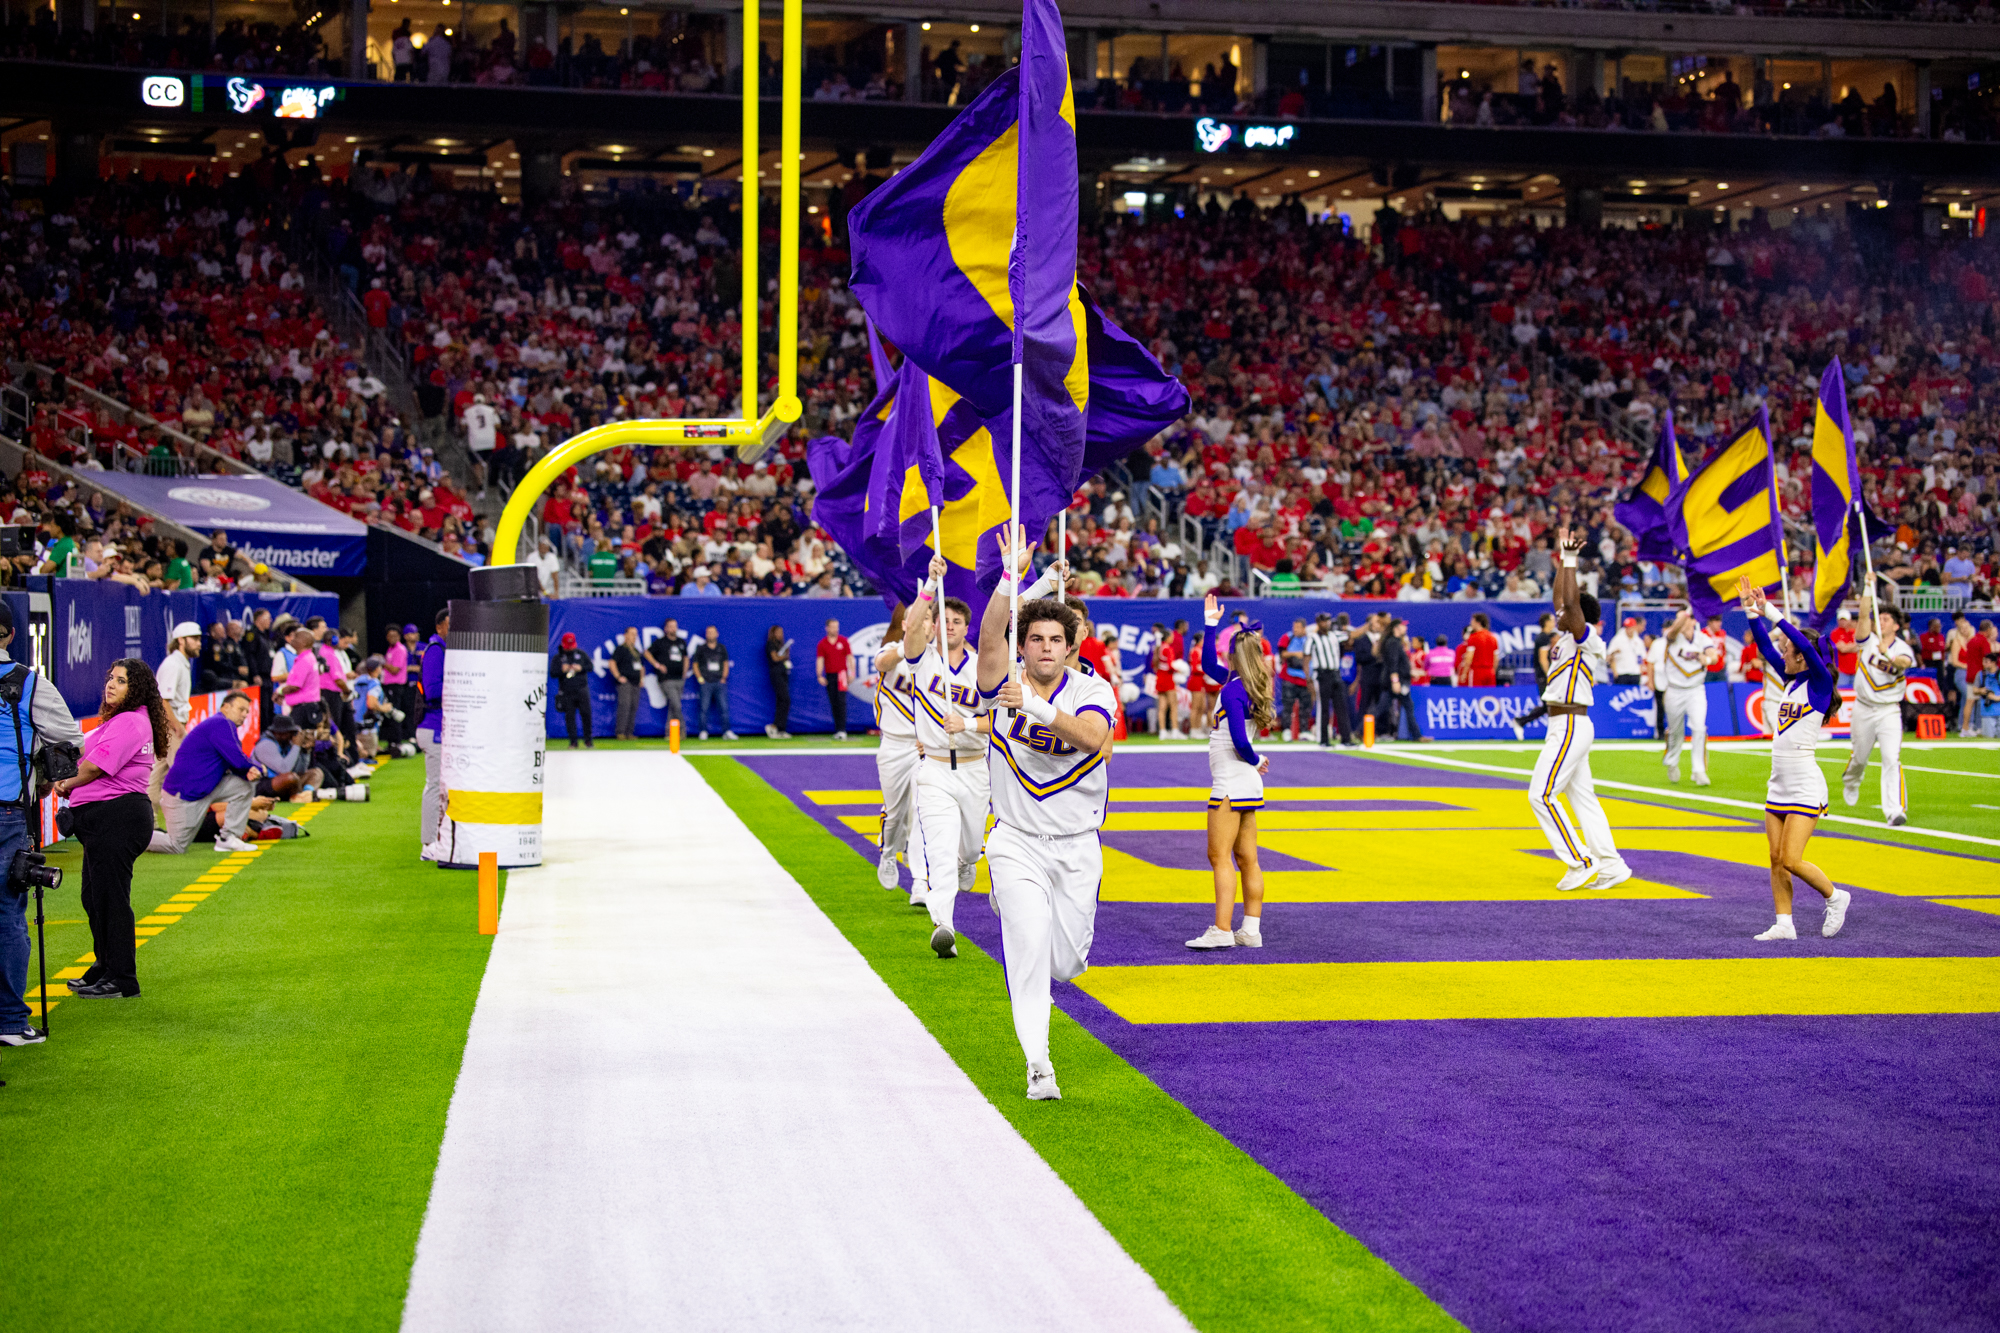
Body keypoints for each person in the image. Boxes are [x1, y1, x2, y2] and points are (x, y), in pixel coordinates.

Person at [974, 535, 1113, 1102]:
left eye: (1057, 639)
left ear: (1071, 644)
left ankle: (1028, 921)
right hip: (1016, 841)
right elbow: (987, 638)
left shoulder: (1092, 688)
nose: (1047, 648)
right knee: (1027, 952)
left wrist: (1031, 705)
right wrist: (1012, 578)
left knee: (1065, 962)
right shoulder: (999, 678)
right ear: (1023, 646)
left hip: (1078, 844)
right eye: (1036, 639)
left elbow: (1093, 738)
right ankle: (1039, 1065)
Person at [1739, 576, 1850, 941]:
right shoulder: (1791, 683)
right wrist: (1752, 614)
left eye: (1787, 650)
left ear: (1802, 657)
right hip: (1779, 781)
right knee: (1774, 858)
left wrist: (1771, 610)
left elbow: (1802, 641)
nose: (1782, 653)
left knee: (1791, 859)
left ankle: (1835, 897)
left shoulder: (1819, 684)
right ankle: (1784, 923)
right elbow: (1765, 649)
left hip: (1803, 781)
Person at [54, 659, 167, 1000]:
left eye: (121, 681)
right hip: (109, 819)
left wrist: (64, 785)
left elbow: (93, 768)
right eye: (111, 678)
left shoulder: (131, 722)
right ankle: (104, 967)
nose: (111, 685)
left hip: (117, 818)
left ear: (138, 689)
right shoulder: (126, 720)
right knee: (96, 897)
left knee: (111, 900)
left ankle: (122, 979)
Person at [1528, 527, 1632, 892]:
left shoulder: (1586, 637)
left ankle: (1581, 860)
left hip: (1571, 723)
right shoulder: (1567, 635)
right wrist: (1563, 559)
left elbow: (1570, 606)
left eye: (1565, 613)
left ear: (1579, 618)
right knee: (1583, 800)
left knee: (1540, 794)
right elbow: (1563, 598)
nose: (1556, 613)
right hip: (1565, 725)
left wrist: (1573, 562)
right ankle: (1612, 864)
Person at [0, 602, 83, 1044]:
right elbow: (70, 742)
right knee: (8, 913)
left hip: (8, 806)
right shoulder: (29, 683)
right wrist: (45, 777)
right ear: (11, 635)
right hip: (7, 806)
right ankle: (11, 1021)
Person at [902, 553, 987, 949]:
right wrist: (929, 586)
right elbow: (909, 635)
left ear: (967, 628)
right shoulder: (924, 661)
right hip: (934, 767)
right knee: (939, 850)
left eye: (957, 621)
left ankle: (968, 859)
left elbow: (1002, 723)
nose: (949, 626)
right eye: (943, 620)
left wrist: (968, 723)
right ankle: (944, 926)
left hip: (974, 768)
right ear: (934, 626)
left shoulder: (984, 669)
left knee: (969, 847)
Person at [1186, 592, 1276, 950]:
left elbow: (1239, 737)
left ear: (1237, 656)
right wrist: (1210, 626)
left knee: (1219, 856)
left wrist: (1254, 758)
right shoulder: (1246, 685)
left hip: (1231, 779)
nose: (1223, 656)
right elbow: (1209, 665)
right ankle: (1250, 930)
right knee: (1247, 858)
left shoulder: (1235, 689)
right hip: (1246, 782)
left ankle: (1222, 929)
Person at [149, 691, 263, 854]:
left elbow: (237, 763)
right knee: (176, 846)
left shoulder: (221, 725)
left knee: (244, 784)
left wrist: (248, 772)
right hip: (183, 796)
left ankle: (227, 838)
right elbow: (238, 759)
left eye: (247, 711)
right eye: (241, 709)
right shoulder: (221, 724)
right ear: (225, 707)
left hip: (204, 789)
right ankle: (132, 838)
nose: (244, 714)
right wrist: (257, 769)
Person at [1843, 589, 1916, 826]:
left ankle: (1894, 811)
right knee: (1860, 758)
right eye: (1880, 618)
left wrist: (1889, 656)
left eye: (1886, 619)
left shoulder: (1902, 647)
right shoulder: (1868, 641)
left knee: (1891, 758)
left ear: (1896, 626)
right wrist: (1867, 588)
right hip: (1863, 708)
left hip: (1888, 710)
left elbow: (1904, 664)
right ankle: (1852, 781)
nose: (1880, 622)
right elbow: (1863, 617)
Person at [871, 604, 922, 890]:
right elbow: (882, 664)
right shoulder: (892, 649)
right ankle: (889, 853)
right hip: (893, 744)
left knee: (920, 810)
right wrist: (907, 647)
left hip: (924, 748)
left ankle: (921, 881)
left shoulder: (939, 658)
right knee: (895, 814)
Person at [150, 620, 200, 817]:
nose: (199, 643)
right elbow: (163, 700)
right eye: (194, 639)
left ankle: (149, 822)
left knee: (157, 774)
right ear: (181, 640)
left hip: (170, 724)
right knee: (185, 770)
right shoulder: (173, 664)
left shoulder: (180, 663)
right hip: (170, 725)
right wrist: (177, 726)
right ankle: (192, 819)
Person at [1658, 606, 1713, 785]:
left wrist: (1708, 659)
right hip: (1675, 690)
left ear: (1693, 620)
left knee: (1699, 728)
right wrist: (1686, 612)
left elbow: (1713, 653)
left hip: (1696, 689)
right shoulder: (1672, 637)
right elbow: (1674, 630)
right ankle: (1672, 761)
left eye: (1685, 618)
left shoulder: (1702, 637)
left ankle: (1699, 770)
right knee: (1676, 732)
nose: (1680, 621)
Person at [418, 608, 449, 859]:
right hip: (433, 726)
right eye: (450, 626)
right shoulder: (435, 651)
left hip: (439, 727)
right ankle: (428, 843)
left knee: (440, 786)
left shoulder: (443, 650)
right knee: (434, 786)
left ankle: (437, 838)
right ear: (439, 627)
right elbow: (432, 691)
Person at [1509, 612, 1561, 740]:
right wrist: (1550, 675)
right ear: (1546, 622)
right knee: (1548, 704)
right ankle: (1521, 721)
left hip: (1542, 674)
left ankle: (1522, 722)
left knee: (1548, 705)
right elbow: (1543, 659)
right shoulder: (1543, 638)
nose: (1554, 623)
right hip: (1543, 675)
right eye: (1552, 620)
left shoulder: (1545, 637)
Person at [1306, 612, 1353, 747]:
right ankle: (1324, 740)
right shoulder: (1313, 638)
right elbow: (1306, 658)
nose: (1326, 623)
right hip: (1322, 674)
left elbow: (1350, 637)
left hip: (1335, 673)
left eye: (1327, 621)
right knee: (1324, 708)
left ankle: (1346, 739)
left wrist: (1366, 626)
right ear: (1318, 623)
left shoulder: (1334, 635)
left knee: (1341, 706)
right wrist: (1308, 679)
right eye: (1323, 621)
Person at [251, 714, 323, 800]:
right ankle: (297, 796)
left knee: (316, 773)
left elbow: (300, 770)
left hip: (287, 782)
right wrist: (296, 746)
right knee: (290, 778)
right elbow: (284, 769)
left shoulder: (287, 744)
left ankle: (307, 794)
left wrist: (305, 751)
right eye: (290, 732)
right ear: (280, 733)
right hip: (263, 783)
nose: (293, 735)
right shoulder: (265, 744)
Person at [643, 619, 689, 736]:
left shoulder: (681, 642)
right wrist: (657, 665)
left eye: (675, 626)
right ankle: (682, 730)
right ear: (666, 628)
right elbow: (647, 653)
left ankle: (669, 733)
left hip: (679, 678)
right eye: (670, 626)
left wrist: (684, 671)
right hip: (666, 679)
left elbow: (686, 657)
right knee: (676, 705)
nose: (673, 629)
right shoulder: (660, 642)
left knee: (673, 707)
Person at [690, 626, 734, 740]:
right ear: (706, 635)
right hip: (706, 683)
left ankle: (726, 731)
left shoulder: (721, 648)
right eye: (708, 633)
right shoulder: (701, 648)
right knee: (704, 708)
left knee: (723, 708)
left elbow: (725, 663)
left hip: (719, 682)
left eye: (712, 632)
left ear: (717, 634)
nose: (710, 634)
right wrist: (700, 679)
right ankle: (703, 731)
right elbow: (695, 665)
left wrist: (724, 677)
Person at [552, 632, 593, 748]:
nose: (570, 648)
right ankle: (573, 742)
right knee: (570, 717)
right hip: (567, 691)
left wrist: (580, 668)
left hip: (582, 689)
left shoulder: (581, 654)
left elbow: (590, 667)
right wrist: (562, 670)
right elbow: (553, 673)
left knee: (586, 715)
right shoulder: (558, 657)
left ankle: (588, 740)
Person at [815, 618, 852, 742]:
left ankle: (842, 729)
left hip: (842, 675)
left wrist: (851, 673)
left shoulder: (843, 641)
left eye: (837, 627)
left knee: (842, 701)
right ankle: (838, 729)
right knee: (834, 702)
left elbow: (850, 657)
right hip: (830, 675)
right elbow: (820, 660)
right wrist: (819, 675)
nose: (835, 629)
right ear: (827, 628)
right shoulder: (822, 644)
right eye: (832, 627)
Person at [610, 627, 644, 740]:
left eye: (636, 634)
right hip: (626, 682)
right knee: (624, 705)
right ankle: (620, 732)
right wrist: (618, 676)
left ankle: (629, 732)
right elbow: (612, 662)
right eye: (632, 634)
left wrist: (641, 679)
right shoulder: (620, 649)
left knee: (634, 706)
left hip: (635, 682)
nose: (634, 636)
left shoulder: (636, 651)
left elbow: (641, 667)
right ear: (625, 635)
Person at [765, 626, 795, 739]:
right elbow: (775, 658)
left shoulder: (781, 645)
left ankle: (781, 729)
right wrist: (783, 656)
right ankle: (773, 726)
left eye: (781, 632)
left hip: (784, 674)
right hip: (776, 675)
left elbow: (785, 658)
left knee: (782, 701)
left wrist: (785, 654)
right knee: (785, 699)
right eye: (777, 632)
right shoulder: (770, 644)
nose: (780, 634)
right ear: (773, 633)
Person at [1462, 612, 1500, 686]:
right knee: (1490, 695)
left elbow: (1469, 658)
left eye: (1472, 621)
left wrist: (1464, 673)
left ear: (1478, 623)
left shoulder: (1473, 638)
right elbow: (1496, 658)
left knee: (1476, 695)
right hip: (1490, 671)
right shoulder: (1493, 638)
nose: (1471, 623)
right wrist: (1493, 671)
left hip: (1477, 671)